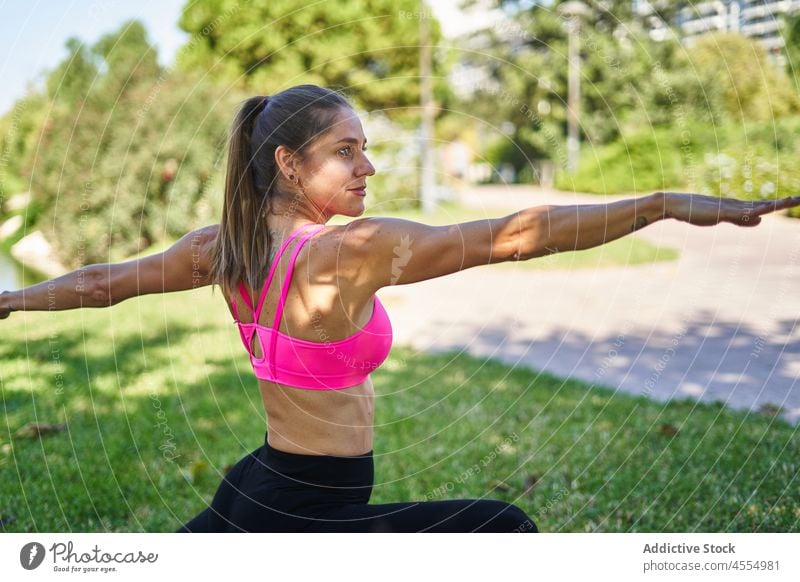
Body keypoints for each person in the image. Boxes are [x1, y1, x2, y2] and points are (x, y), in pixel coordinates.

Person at [2, 85, 799, 533]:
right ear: (288, 162)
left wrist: (10, 300)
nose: (368, 166)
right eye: (346, 150)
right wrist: (657, 202)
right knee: (505, 532)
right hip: (308, 504)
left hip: (262, 482)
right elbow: (516, 236)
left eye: (364, 147)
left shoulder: (224, 246)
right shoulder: (348, 251)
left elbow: (103, 282)